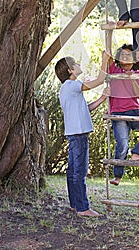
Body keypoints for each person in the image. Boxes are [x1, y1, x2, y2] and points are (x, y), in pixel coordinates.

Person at [55, 52, 109, 217]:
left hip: (75, 134)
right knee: (80, 171)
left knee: (73, 171)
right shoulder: (71, 85)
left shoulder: (68, 89)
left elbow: (87, 109)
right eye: (76, 64)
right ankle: (83, 208)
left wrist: (102, 98)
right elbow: (99, 81)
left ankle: (75, 204)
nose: (79, 65)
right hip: (78, 134)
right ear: (70, 70)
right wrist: (104, 61)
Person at [108, 44, 139, 186]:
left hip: (134, 111)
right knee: (122, 144)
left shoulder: (138, 74)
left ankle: (137, 152)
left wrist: (131, 79)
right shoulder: (114, 71)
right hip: (118, 113)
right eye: (122, 55)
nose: (125, 57)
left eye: (128, 55)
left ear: (134, 59)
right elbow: (107, 53)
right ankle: (118, 176)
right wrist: (110, 32)